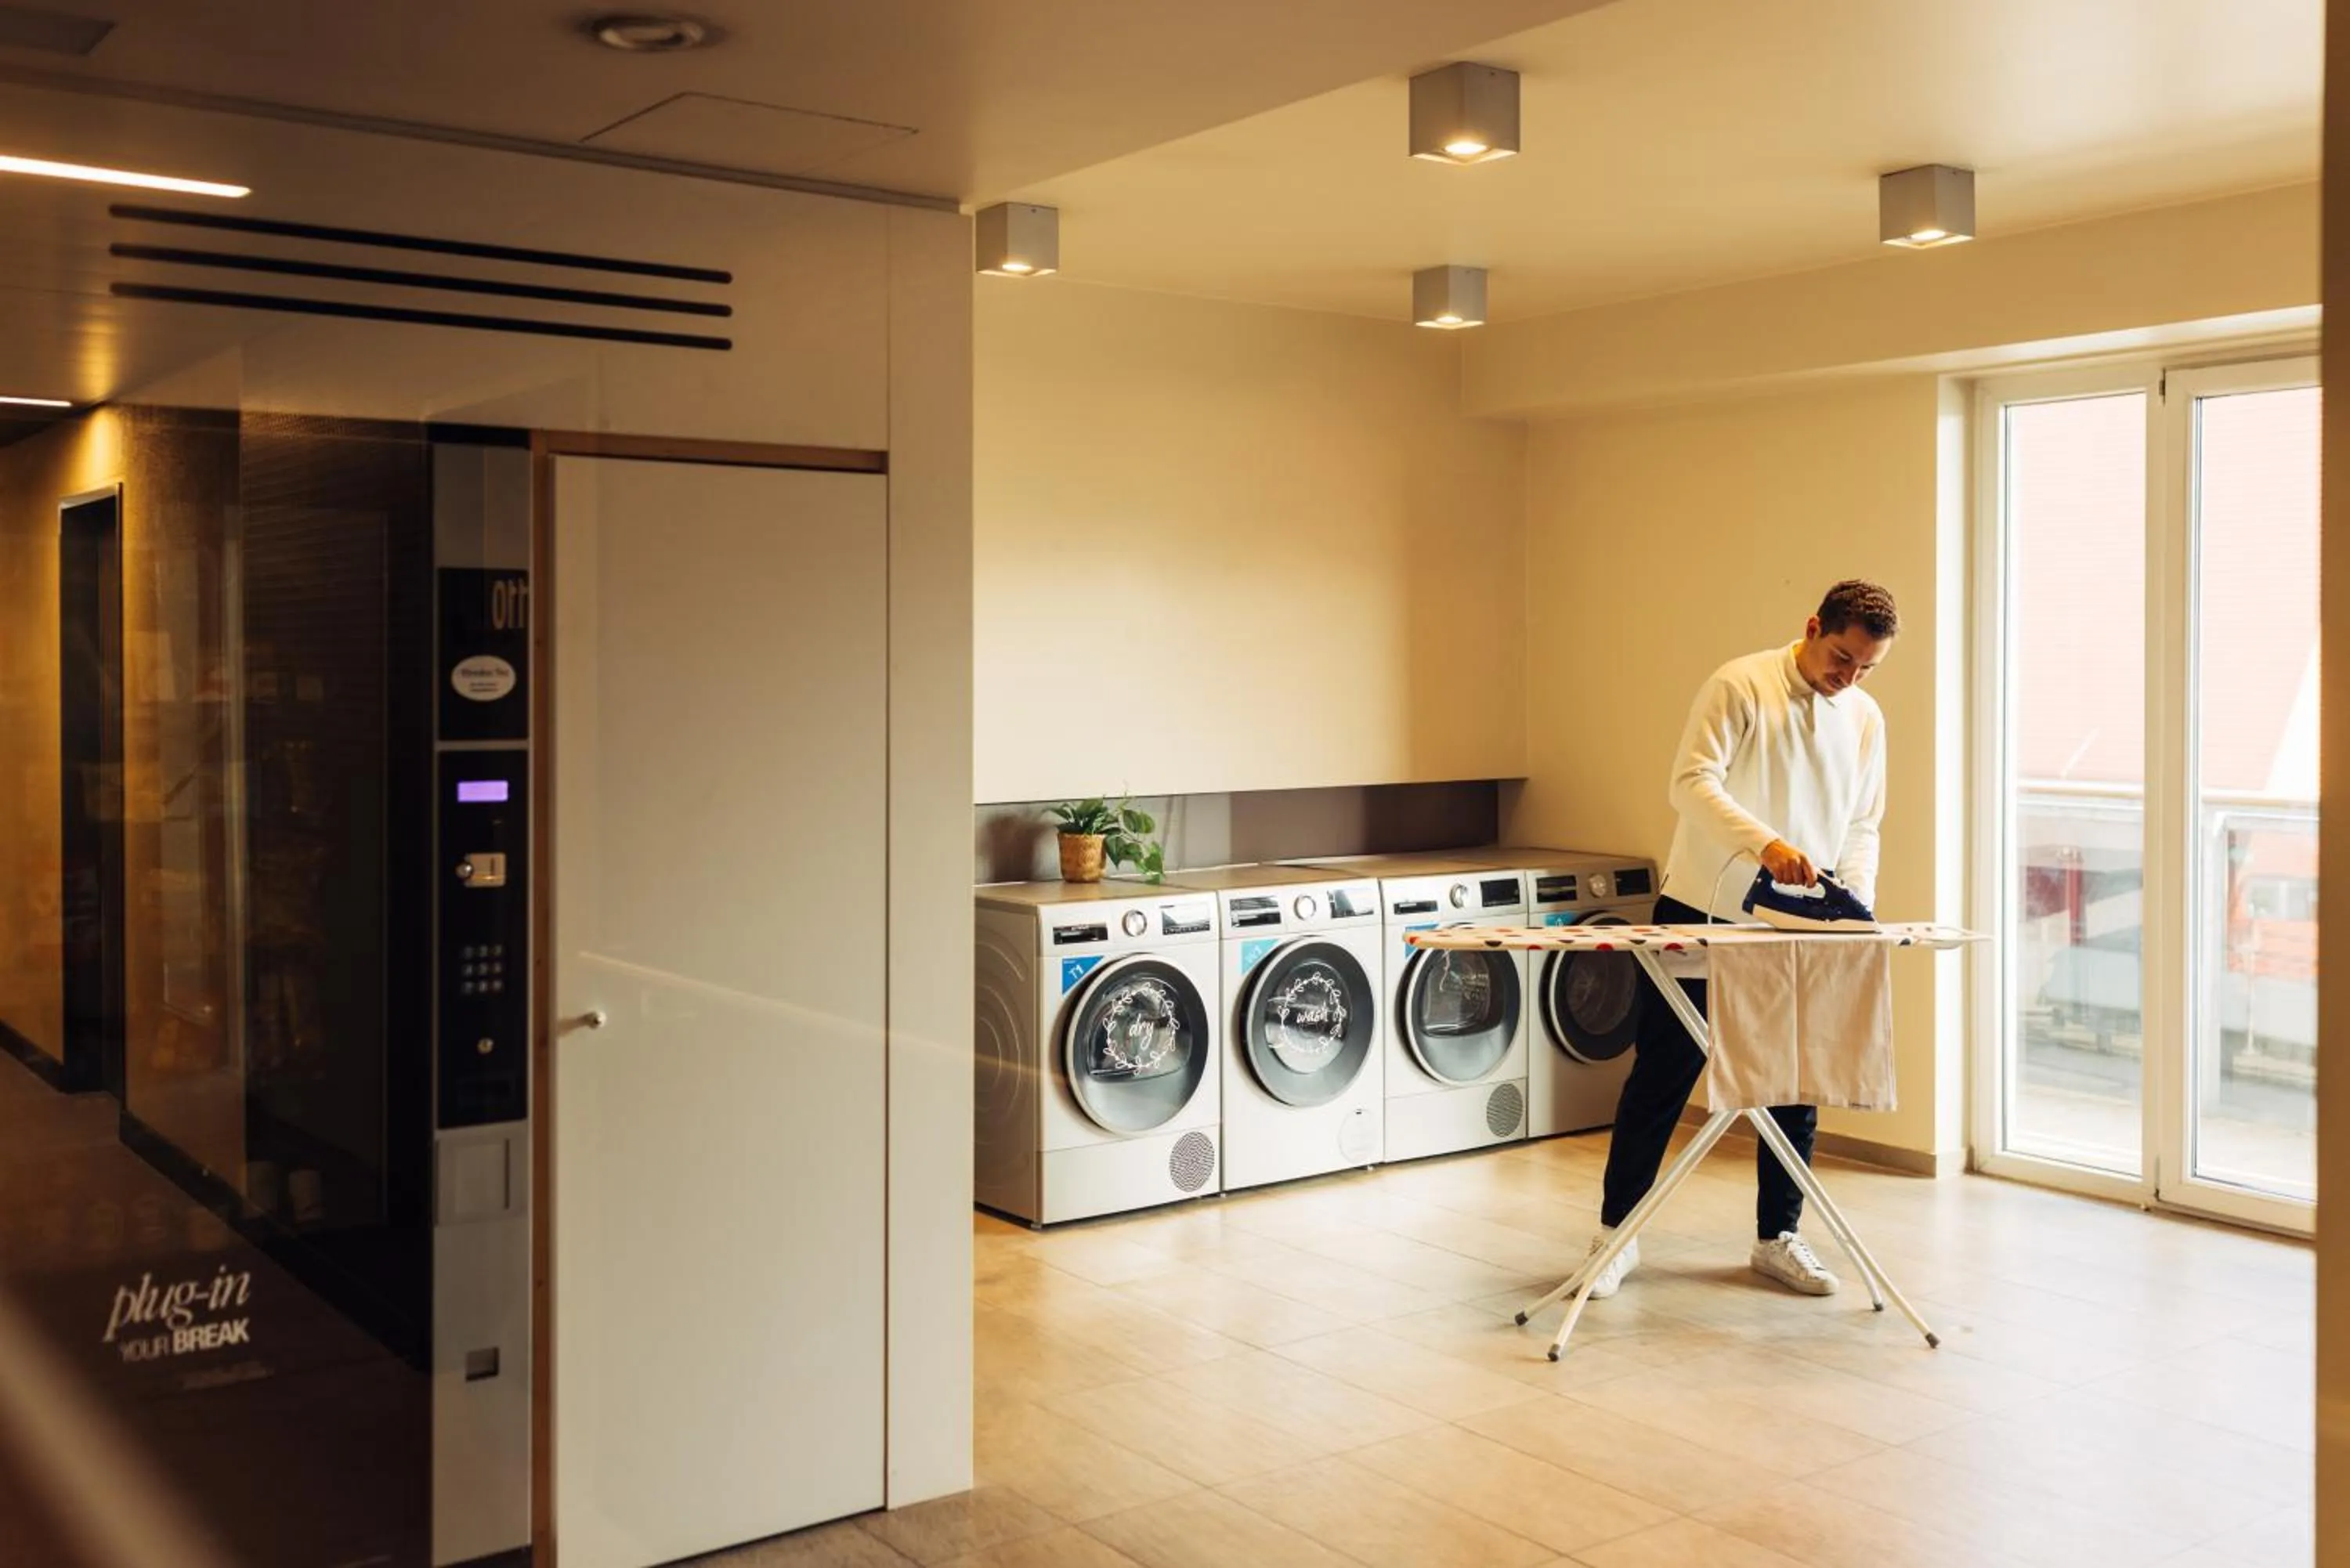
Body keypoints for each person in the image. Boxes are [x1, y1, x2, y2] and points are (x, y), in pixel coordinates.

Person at [1581, 579, 1896, 1299]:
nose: (1848, 678)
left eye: (1866, 669)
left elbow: (1862, 823)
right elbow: (1690, 783)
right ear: (1814, 626)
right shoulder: (1740, 684)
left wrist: (1859, 910)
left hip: (1800, 924)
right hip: (1705, 905)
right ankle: (1615, 1234)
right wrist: (1765, 845)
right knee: (1663, 1075)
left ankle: (1778, 1237)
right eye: (1842, 658)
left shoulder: (1865, 716)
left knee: (1794, 1081)